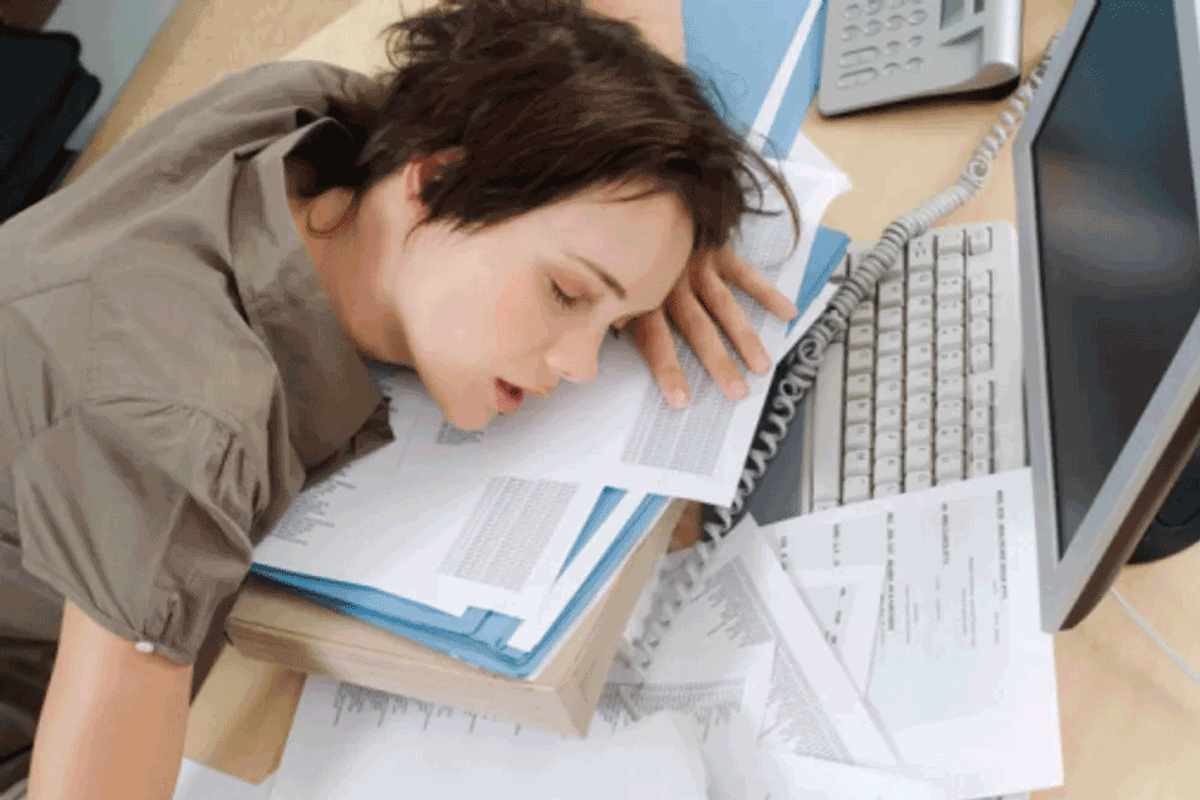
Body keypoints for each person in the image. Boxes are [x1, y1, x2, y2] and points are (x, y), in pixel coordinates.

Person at [0, 0, 802, 797]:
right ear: (438, 181)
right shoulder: (188, 422)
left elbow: (518, 71)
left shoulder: (309, 112)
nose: (583, 365)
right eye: (564, 293)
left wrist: (655, 228)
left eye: (616, 321)